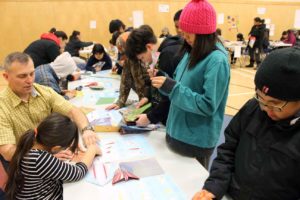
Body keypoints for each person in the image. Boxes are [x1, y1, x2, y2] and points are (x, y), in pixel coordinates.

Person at [193, 47, 300, 200]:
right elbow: (228, 151)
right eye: (261, 98)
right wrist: (214, 186)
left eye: (275, 104)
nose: (266, 109)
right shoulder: (253, 109)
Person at [149, 0, 230, 169]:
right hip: (176, 134)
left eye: (188, 34)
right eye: (182, 32)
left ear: (203, 33)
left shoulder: (217, 60)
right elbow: (181, 87)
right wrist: (164, 81)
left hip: (195, 141)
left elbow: (208, 105)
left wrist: (172, 87)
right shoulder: (191, 51)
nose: (184, 37)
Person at [0, 52, 98, 162]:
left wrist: (86, 129)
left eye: (32, 74)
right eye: (22, 76)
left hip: (51, 154)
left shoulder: (45, 92)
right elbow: (8, 152)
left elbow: (72, 111)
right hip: (25, 166)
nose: (29, 80)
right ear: (6, 77)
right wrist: (45, 157)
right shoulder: (2, 106)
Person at [5, 113, 100, 200]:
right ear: (55, 148)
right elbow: (77, 173)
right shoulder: (40, 159)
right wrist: (92, 149)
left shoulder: (32, 143)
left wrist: (54, 155)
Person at [124, 21, 183, 126]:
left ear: (149, 47)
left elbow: (170, 95)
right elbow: (156, 83)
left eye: (142, 58)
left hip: (174, 119)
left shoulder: (167, 55)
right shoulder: (160, 53)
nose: (143, 62)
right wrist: (147, 97)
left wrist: (149, 118)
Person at [106, 31, 151, 110]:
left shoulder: (148, 55)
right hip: (142, 103)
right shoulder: (129, 59)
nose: (125, 56)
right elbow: (125, 80)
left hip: (155, 103)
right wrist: (121, 101)